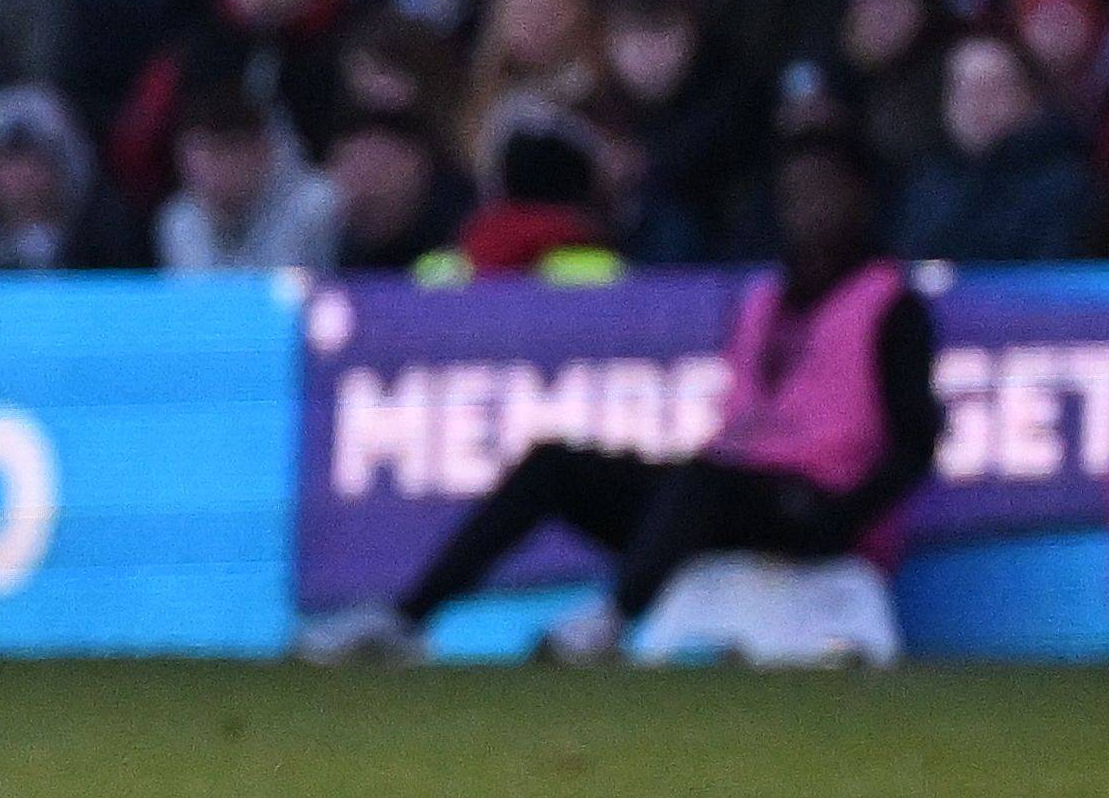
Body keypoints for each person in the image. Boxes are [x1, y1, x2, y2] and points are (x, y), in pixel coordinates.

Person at [300, 118, 937, 662]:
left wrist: (843, 516)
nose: (806, 209)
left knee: (702, 479)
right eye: (795, 195)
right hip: (732, 491)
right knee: (556, 464)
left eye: (823, 192)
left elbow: (917, 440)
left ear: (861, 200)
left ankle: (611, 620)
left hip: (811, 503)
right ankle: (407, 620)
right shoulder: (766, 298)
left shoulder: (887, 303)